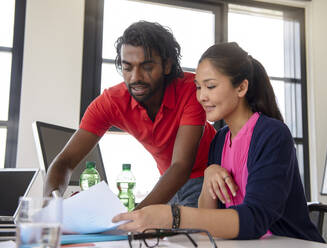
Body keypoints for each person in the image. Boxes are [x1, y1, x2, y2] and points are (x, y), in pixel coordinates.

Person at [112, 42, 325, 242]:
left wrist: (173, 216)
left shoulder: (272, 134)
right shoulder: (220, 139)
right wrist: (208, 176)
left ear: (241, 88)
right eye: (198, 87)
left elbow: (255, 220)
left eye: (210, 86)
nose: (202, 96)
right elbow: (210, 217)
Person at [44, 21, 216, 209]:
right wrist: (50, 205)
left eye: (147, 67)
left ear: (167, 65)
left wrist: (134, 216)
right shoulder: (111, 102)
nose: (135, 77)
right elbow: (64, 161)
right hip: (169, 182)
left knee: (178, 233)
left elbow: (181, 166)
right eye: (128, 68)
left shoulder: (191, 89)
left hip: (209, 175)